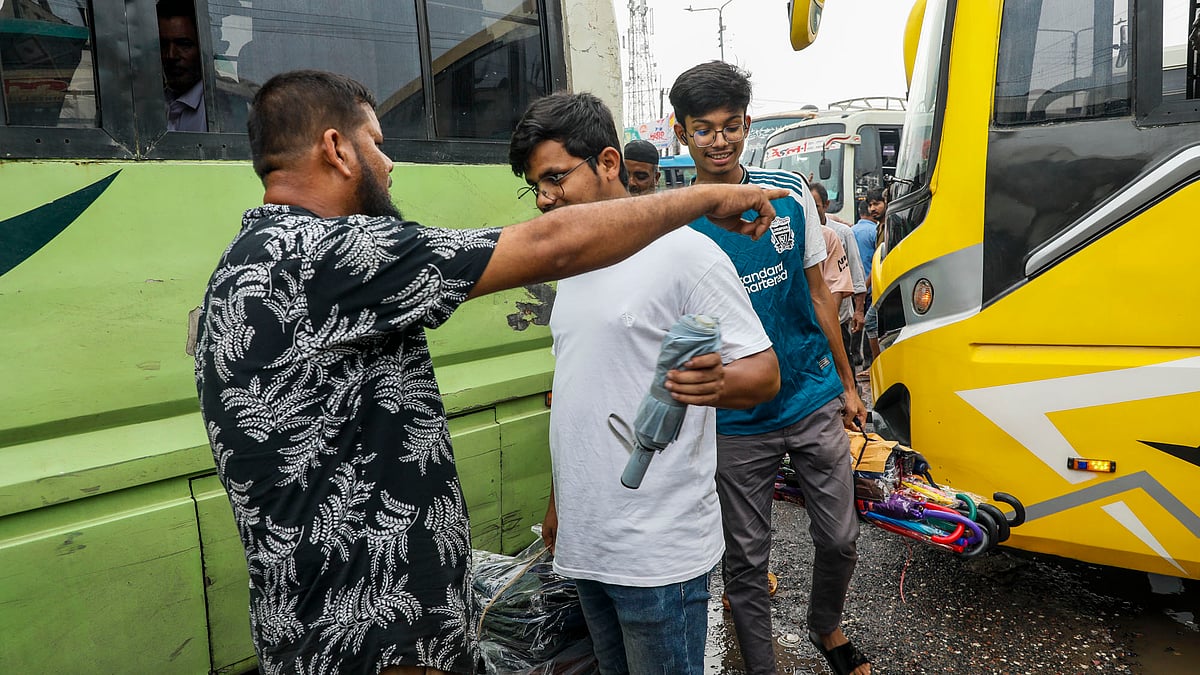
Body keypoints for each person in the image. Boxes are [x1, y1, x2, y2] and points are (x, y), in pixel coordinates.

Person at [194, 70, 788, 675]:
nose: (390, 164)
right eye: (376, 142)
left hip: (316, 620)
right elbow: (553, 245)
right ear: (336, 149)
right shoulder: (329, 253)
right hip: (367, 633)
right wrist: (709, 196)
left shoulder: (245, 267)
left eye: (555, 177)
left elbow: (755, 374)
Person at [509, 91, 780, 675]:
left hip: (657, 552)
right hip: (587, 540)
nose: (544, 198)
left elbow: (763, 374)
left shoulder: (686, 254)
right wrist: (560, 503)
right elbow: (580, 389)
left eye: (555, 177)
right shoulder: (573, 264)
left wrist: (710, 383)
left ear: (609, 163)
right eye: (536, 185)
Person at [670, 61, 872, 675]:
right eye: (703, 129)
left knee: (841, 538)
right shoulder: (672, 223)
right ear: (682, 134)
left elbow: (819, 294)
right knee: (747, 561)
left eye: (731, 126)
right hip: (736, 418)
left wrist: (846, 384)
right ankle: (762, 664)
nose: (719, 140)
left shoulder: (785, 197)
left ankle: (825, 626)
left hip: (810, 396)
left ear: (747, 125)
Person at [810, 182, 866, 373]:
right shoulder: (799, 234)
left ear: (825, 205)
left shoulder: (841, 233)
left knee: (844, 369)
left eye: (815, 206)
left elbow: (856, 273)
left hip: (839, 319)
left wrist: (859, 311)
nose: (810, 211)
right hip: (811, 324)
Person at [158, 0, 205, 131]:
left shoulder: (221, 109)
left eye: (183, 44)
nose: (171, 55)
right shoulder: (153, 102)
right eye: (163, 45)